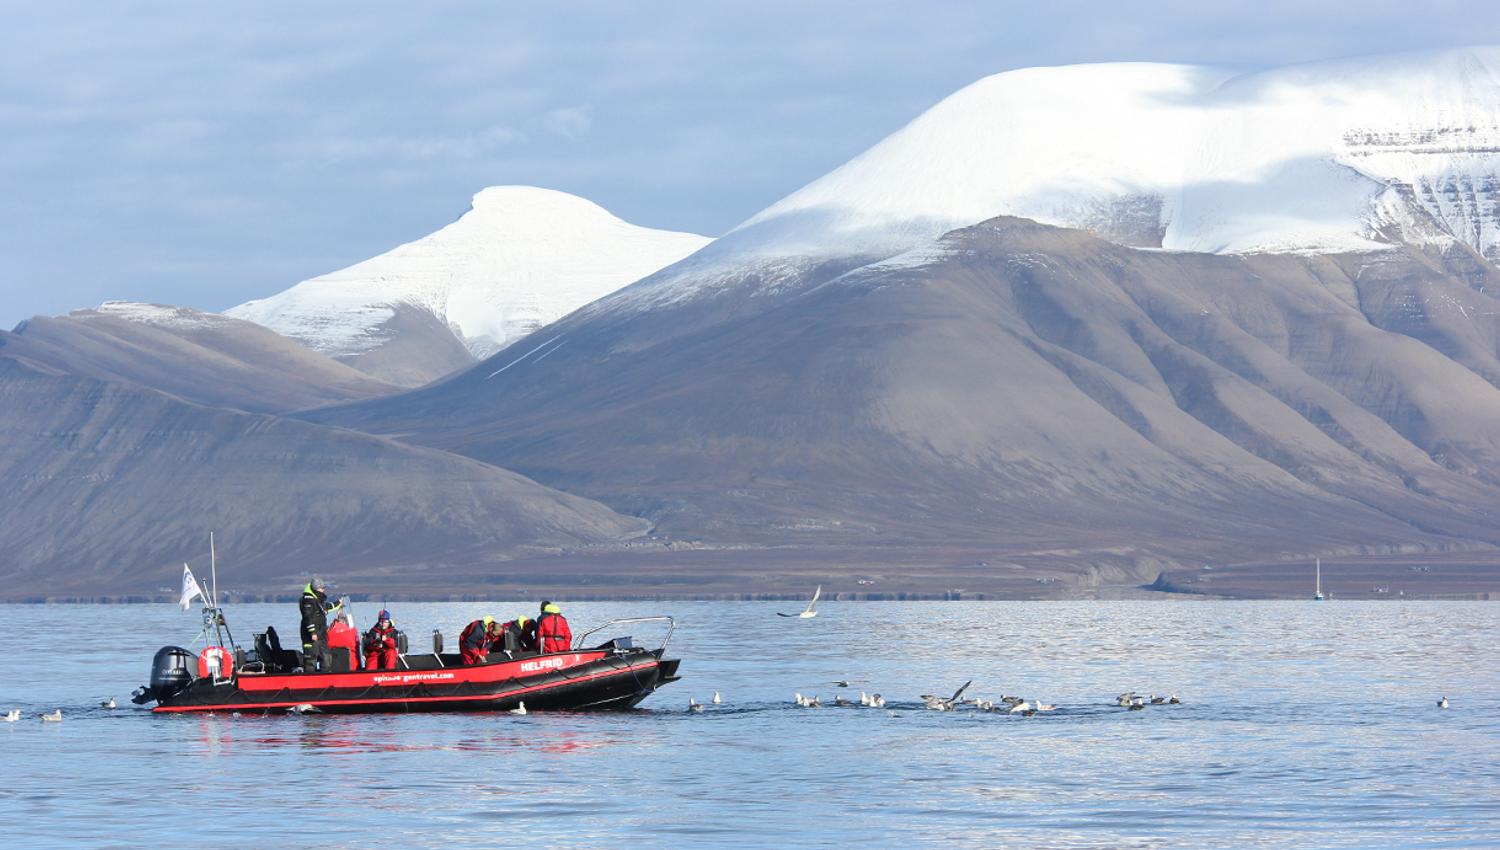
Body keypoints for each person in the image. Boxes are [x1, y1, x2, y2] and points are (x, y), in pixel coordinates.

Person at [298, 576, 342, 672]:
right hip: (311, 635)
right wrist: (312, 632)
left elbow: (325, 608)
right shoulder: (308, 601)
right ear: (316, 588)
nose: (323, 590)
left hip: (321, 633)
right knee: (311, 659)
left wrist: (339, 603)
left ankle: (325, 677)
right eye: (322, 588)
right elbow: (308, 617)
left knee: (326, 657)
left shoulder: (318, 599)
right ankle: (309, 680)